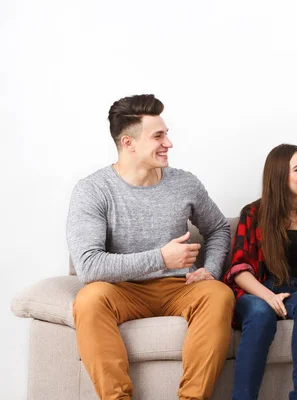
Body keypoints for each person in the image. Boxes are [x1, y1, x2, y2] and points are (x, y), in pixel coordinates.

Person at [67, 94, 234, 400]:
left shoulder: (184, 183)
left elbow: (219, 228)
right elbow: (88, 266)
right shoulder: (93, 190)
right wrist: (160, 258)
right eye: (158, 136)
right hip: (122, 291)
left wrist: (210, 270)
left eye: (166, 134)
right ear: (128, 143)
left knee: (219, 294)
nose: (168, 143)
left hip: (181, 286)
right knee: (89, 300)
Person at [223, 144, 297, 400]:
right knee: (260, 314)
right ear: (280, 175)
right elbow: (239, 269)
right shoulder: (253, 213)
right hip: (258, 291)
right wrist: (268, 297)